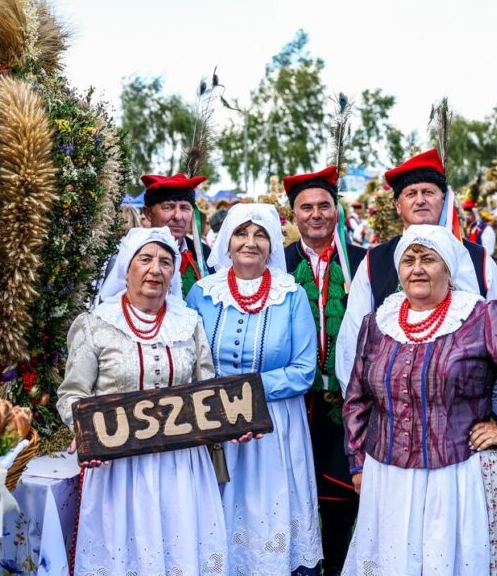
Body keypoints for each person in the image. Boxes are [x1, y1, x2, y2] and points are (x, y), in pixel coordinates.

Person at [342, 224, 497, 575]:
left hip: (455, 475)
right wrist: (357, 462)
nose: (417, 268)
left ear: (449, 268)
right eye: (409, 260)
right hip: (388, 473)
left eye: (429, 259)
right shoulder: (378, 321)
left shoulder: (479, 317)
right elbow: (357, 398)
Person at [57, 226, 227, 574]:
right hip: (118, 464)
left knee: (179, 549)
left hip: (180, 462)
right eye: (145, 259)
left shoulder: (189, 324)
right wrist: (83, 427)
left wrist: (228, 420)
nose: (156, 269)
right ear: (126, 267)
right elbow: (72, 392)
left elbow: (206, 386)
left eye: (166, 262)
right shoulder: (95, 325)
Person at [186, 203, 323, 574]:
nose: (250, 242)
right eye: (241, 233)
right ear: (227, 242)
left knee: (270, 509)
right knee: (219, 513)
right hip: (216, 424)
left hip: (274, 427)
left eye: (260, 234)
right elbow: (186, 358)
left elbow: (303, 370)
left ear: (272, 244)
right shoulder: (202, 293)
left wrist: (245, 393)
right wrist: (221, 402)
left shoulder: (290, 294)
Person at [337, 149, 497, 396]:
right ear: (397, 204)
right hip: (391, 407)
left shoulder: (478, 259)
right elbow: (353, 337)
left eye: (428, 192)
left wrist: (496, 409)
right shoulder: (374, 261)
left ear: (444, 200)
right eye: (410, 194)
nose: (420, 200)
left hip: (464, 407)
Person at [281, 165, 367, 575]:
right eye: (306, 207)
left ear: (337, 211)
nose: (316, 214)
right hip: (292, 404)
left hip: (345, 406)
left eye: (324, 206)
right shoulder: (277, 265)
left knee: (339, 500)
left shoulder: (365, 264)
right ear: (292, 215)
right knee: (290, 496)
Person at [138, 173, 213, 296]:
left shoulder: (203, 253)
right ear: (148, 214)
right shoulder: (133, 252)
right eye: (168, 207)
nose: (178, 216)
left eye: (185, 208)